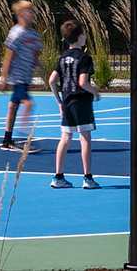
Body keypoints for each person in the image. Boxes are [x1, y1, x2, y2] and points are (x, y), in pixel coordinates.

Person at [47, 20, 101, 189]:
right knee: (85, 139)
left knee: (65, 139)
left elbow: (51, 80)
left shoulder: (62, 58)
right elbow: (83, 82)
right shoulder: (85, 58)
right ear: (79, 37)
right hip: (81, 102)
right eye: (84, 34)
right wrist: (95, 91)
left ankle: (58, 177)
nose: (85, 36)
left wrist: (59, 102)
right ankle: (88, 178)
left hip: (67, 103)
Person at [0, 0, 43, 152]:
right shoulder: (16, 32)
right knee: (29, 104)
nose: (32, 14)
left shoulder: (34, 34)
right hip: (17, 77)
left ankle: (7, 141)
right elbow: (8, 56)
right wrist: (5, 78)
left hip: (26, 76)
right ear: (20, 14)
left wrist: (45, 74)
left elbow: (36, 57)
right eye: (29, 11)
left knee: (13, 107)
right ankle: (25, 138)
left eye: (33, 11)